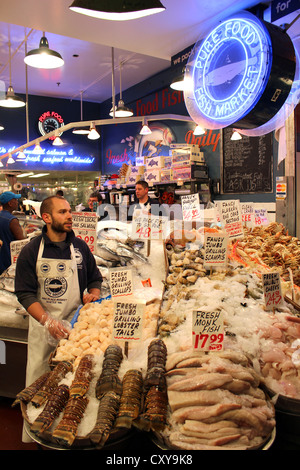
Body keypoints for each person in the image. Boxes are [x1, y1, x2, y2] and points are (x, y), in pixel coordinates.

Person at [15, 195, 102, 388]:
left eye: (70, 211)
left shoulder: (80, 247)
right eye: (62, 212)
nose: (70, 216)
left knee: (71, 387)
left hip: (76, 330)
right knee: (38, 387)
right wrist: (47, 321)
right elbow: (24, 293)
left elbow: (95, 278)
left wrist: (94, 294)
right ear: (46, 218)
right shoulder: (31, 251)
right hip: (42, 330)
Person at [0, 191, 26, 274]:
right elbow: (22, 241)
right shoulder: (12, 220)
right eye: (15, 200)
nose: (17, 202)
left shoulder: (1, 215)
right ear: (10, 203)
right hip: (9, 259)